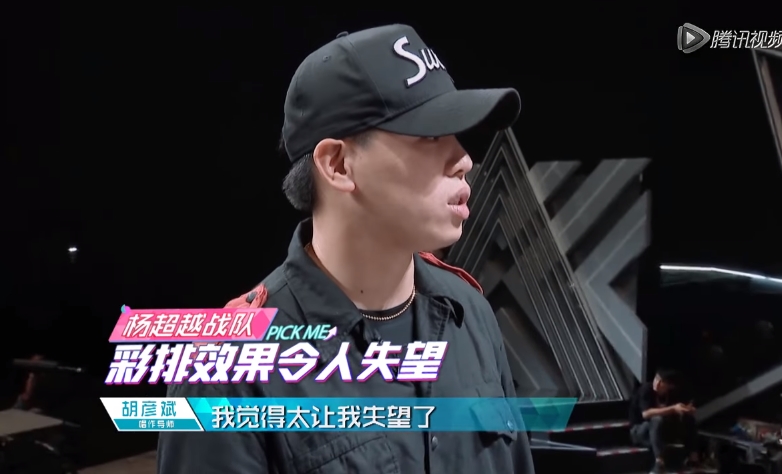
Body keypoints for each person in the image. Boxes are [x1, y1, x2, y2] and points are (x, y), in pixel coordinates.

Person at [158, 24, 531, 474]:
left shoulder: (470, 313)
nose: (464, 159)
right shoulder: (228, 370)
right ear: (337, 164)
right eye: (430, 135)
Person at [629, 369, 699, 473]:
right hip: (640, 431)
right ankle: (659, 462)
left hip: (661, 432)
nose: (657, 384)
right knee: (657, 419)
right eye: (656, 379)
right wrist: (673, 409)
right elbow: (646, 414)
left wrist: (687, 409)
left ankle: (693, 458)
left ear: (670, 386)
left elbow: (680, 406)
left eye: (662, 382)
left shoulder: (672, 394)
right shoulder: (646, 389)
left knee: (689, 419)